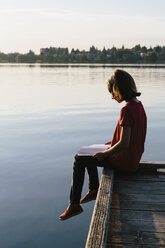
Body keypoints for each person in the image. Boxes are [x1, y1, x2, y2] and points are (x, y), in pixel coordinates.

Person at [59, 69, 147, 221]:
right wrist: (109, 145)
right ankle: (93, 190)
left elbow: (124, 144)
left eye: (112, 93)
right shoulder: (138, 106)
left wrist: (105, 153)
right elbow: (131, 138)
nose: (112, 97)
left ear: (119, 89)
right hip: (133, 159)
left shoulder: (126, 110)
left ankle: (74, 204)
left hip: (124, 161)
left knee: (79, 159)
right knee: (86, 152)